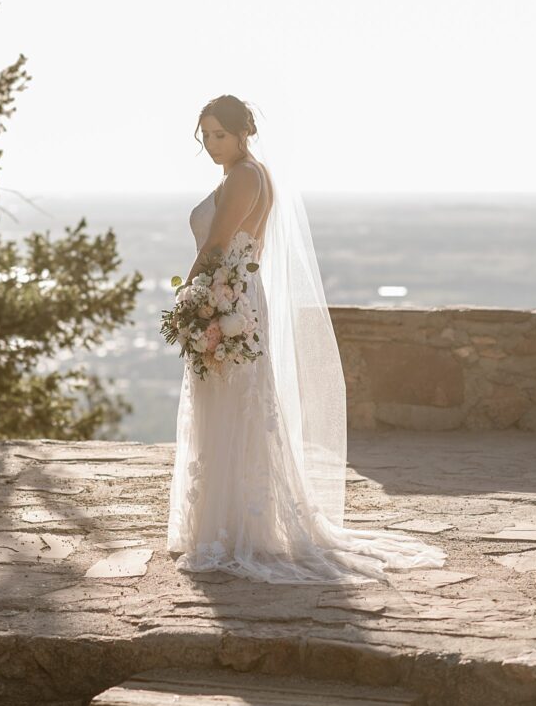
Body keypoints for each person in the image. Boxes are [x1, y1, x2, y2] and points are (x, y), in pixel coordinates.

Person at [166, 94, 447, 585]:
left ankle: (234, 529)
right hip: (235, 292)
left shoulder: (244, 177)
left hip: (226, 295)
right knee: (232, 401)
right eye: (206, 136)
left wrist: (191, 294)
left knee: (234, 401)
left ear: (242, 133)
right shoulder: (250, 175)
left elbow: (216, 244)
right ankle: (230, 523)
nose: (212, 145)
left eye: (219, 135)